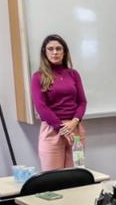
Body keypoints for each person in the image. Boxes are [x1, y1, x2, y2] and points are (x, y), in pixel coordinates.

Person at [30, 34, 87, 171]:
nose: (54, 52)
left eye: (58, 48)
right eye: (50, 49)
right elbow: (41, 107)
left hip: (75, 130)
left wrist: (73, 123)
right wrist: (62, 128)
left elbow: (82, 102)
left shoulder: (73, 74)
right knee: (54, 177)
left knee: (75, 175)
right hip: (52, 130)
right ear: (44, 52)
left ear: (64, 52)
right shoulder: (38, 77)